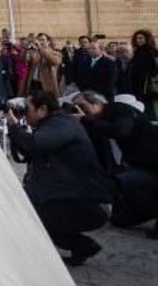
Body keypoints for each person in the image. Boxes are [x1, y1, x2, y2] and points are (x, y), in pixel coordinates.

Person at [7, 91, 112, 265]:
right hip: (73, 197)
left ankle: (82, 245)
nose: (24, 112)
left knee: (28, 212)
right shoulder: (54, 124)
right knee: (28, 204)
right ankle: (82, 247)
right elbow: (30, 149)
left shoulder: (62, 124)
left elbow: (34, 144)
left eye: (27, 109)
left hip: (90, 202)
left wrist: (14, 126)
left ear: (42, 109)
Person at [73, 91, 158, 238]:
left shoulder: (119, 110)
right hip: (139, 165)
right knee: (119, 220)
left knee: (122, 182)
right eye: (75, 108)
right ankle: (148, 210)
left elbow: (121, 131)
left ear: (97, 103)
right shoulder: (98, 122)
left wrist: (87, 120)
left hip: (152, 165)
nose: (81, 111)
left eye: (82, 106)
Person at [127, 30, 157, 122]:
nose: (138, 40)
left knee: (149, 109)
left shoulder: (152, 52)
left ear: (147, 39)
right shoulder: (137, 52)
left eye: (141, 38)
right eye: (137, 38)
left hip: (147, 86)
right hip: (137, 85)